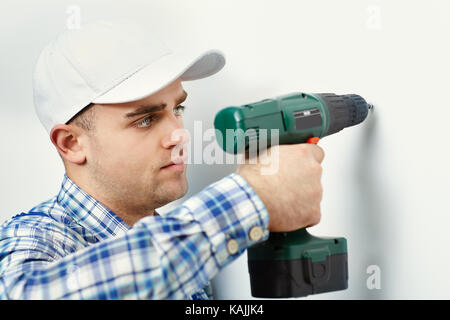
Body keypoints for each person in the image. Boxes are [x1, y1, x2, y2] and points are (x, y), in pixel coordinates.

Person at [0, 19, 324, 299]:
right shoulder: (35, 239)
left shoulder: (175, 244)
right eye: (145, 120)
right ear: (71, 144)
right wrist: (251, 199)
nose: (180, 134)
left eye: (177, 109)